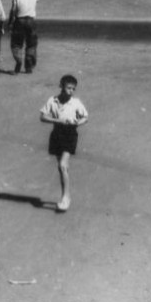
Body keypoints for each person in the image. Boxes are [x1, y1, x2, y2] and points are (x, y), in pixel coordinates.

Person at [39, 74, 89, 213]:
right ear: (61, 86)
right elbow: (42, 117)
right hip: (57, 134)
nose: (71, 91)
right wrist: (58, 121)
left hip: (70, 134)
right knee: (61, 167)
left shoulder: (76, 102)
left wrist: (77, 122)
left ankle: (66, 198)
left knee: (63, 165)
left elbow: (85, 117)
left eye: (73, 89)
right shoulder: (52, 100)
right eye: (68, 88)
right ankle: (64, 195)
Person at [9, 0, 39, 74]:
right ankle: (28, 67)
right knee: (31, 44)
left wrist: (10, 22)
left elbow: (13, 10)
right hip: (31, 21)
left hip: (19, 21)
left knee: (16, 44)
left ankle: (18, 61)